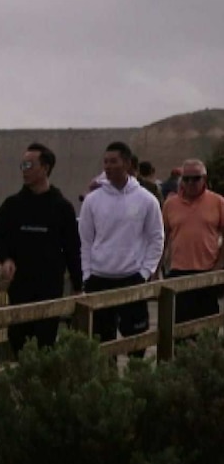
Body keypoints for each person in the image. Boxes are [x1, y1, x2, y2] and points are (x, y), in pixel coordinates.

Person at [0, 142, 82, 357]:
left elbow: (72, 248)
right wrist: (5, 259)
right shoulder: (12, 205)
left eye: (30, 165)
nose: (25, 170)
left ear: (46, 168)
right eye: (22, 165)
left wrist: (78, 286)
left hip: (49, 287)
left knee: (45, 342)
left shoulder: (62, 207)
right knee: (18, 340)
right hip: (20, 286)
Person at [78, 141, 164, 356]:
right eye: (105, 162)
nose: (108, 166)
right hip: (99, 279)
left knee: (136, 342)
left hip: (131, 278)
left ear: (126, 163)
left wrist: (145, 272)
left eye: (113, 161)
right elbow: (85, 240)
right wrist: (87, 274)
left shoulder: (146, 200)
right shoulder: (92, 200)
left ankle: (135, 384)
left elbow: (156, 238)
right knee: (100, 343)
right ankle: (107, 386)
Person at [161, 159, 224, 323]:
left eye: (195, 178)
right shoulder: (170, 204)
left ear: (204, 179)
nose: (190, 183)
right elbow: (163, 238)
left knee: (207, 325)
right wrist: (157, 271)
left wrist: (218, 265)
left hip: (207, 271)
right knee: (180, 324)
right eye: (186, 178)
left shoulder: (218, 202)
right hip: (178, 271)